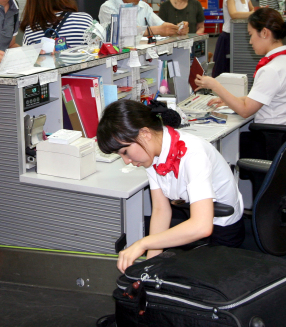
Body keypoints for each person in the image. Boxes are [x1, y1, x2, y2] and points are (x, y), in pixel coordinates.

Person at [97, 100, 244, 273]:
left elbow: (202, 227)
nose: (127, 161)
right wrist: (150, 266)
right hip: (194, 215)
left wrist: (143, 243)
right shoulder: (151, 154)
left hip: (222, 228)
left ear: (144, 133)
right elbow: (161, 210)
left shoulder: (193, 153)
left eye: (125, 152)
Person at [196, 8, 286, 159]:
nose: (250, 41)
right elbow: (263, 97)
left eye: (251, 35)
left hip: (272, 141)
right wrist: (229, 100)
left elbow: (245, 111)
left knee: (220, 150)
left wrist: (215, 86)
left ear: (264, 33)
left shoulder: (271, 69)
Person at [20, 0, 94, 47]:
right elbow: (97, 48)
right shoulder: (85, 19)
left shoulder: (31, 30)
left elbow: (27, 58)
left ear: (32, 1)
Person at [212, 0, 256, 77]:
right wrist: (252, 14)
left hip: (242, 36)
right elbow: (234, 14)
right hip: (228, 37)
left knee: (239, 67)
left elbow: (252, 10)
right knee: (224, 70)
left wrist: (254, 13)